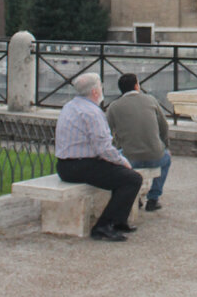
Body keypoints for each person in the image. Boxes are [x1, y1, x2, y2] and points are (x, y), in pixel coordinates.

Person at [55, 72, 142, 241]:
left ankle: (118, 221)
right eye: (101, 86)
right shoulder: (92, 113)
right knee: (132, 179)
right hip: (81, 166)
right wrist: (123, 161)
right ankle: (103, 226)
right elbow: (104, 148)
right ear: (95, 92)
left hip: (65, 165)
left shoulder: (70, 106)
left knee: (121, 176)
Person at [106, 73, 171, 211]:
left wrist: (115, 148)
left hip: (129, 158)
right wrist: (164, 145)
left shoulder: (113, 107)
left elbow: (106, 133)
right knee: (167, 158)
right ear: (136, 86)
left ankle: (134, 196)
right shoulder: (151, 100)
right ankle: (153, 198)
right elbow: (164, 126)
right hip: (155, 155)